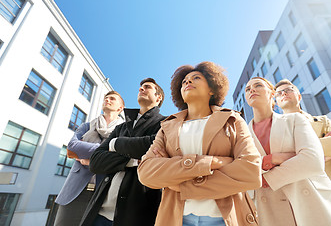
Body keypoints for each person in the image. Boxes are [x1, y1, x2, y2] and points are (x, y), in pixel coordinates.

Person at [138, 62, 262, 226]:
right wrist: (212, 162)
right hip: (177, 218)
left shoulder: (232, 119)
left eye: (196, 78)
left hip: (224, 218)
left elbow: (251, 172)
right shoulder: (167, 126)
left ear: (212, 89)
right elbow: (146, 172)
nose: (187, 82)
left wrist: (177, 180)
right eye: (184, 82)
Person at [245, 77, 331, 226]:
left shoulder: (303, 120)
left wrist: (273, 161)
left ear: (271, 94)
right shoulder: (242, 135)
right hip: (269, 207)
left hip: (315, 194)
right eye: (247, 88)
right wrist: (299, 153)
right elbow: (243, 169)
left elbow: (330, 150)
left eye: (258, 85)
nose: (252, 90)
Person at [80, 78, 166, 226]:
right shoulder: (122, 127)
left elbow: (153, 146)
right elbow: (95, 162)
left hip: (136, 215)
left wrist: (115, 143)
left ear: (159, 97)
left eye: (147, 87)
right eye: (140, 87)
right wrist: (133, 161)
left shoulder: (167, 123)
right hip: (98, 212)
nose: (141, 89)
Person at [274, 78, 331, 225]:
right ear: (276, 103)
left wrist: (299, 152)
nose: (284, 93)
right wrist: (322, 150)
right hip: (309, 198)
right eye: (279, 93)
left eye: (288, 90)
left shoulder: (322, 121)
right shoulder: (274, 132)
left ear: (299, 96)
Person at [54, 91, 125, 226]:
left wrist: (88, 156)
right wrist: (106, 150)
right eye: (106, 98)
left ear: (120, 108)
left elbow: (121, 157)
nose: (107, 100)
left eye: (112, 99)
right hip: (76, 189)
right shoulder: (87, 126)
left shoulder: (124, 132)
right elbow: (72, 147)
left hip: (104, 193)